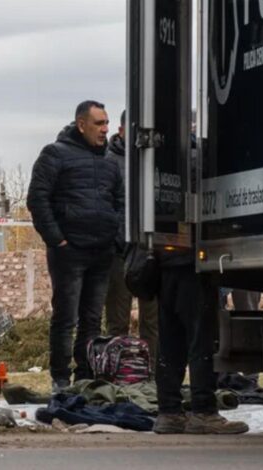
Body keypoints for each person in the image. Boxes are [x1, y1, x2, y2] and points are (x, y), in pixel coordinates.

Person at [152, 121, 248, 435]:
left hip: (165, 260)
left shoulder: (157, 159)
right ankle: (203, 411)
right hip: (191, 260)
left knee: (170, 341)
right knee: (199, 341)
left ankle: (168, 412)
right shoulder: (195, 158)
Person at [27, 100, 124, 392]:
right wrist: (58, 240)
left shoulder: (109, 161)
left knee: (92, 320)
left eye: (107, 123)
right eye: (99, 124)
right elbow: (37, 200)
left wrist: (115, 235)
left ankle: (85, 378)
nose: (105, 130)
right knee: (66, 317)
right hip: (69, 252)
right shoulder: (55, 154)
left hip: (102, 251)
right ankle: (60, 379)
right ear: (81, 125)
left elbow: (119, 200)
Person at [103, 110, 159, 367]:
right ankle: (117, 371)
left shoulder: (155, 159)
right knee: (117, 320)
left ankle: (152, 371)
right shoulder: (108, 161)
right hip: (119, 251)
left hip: (151, 251)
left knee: (153, 320)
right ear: (122, 130)